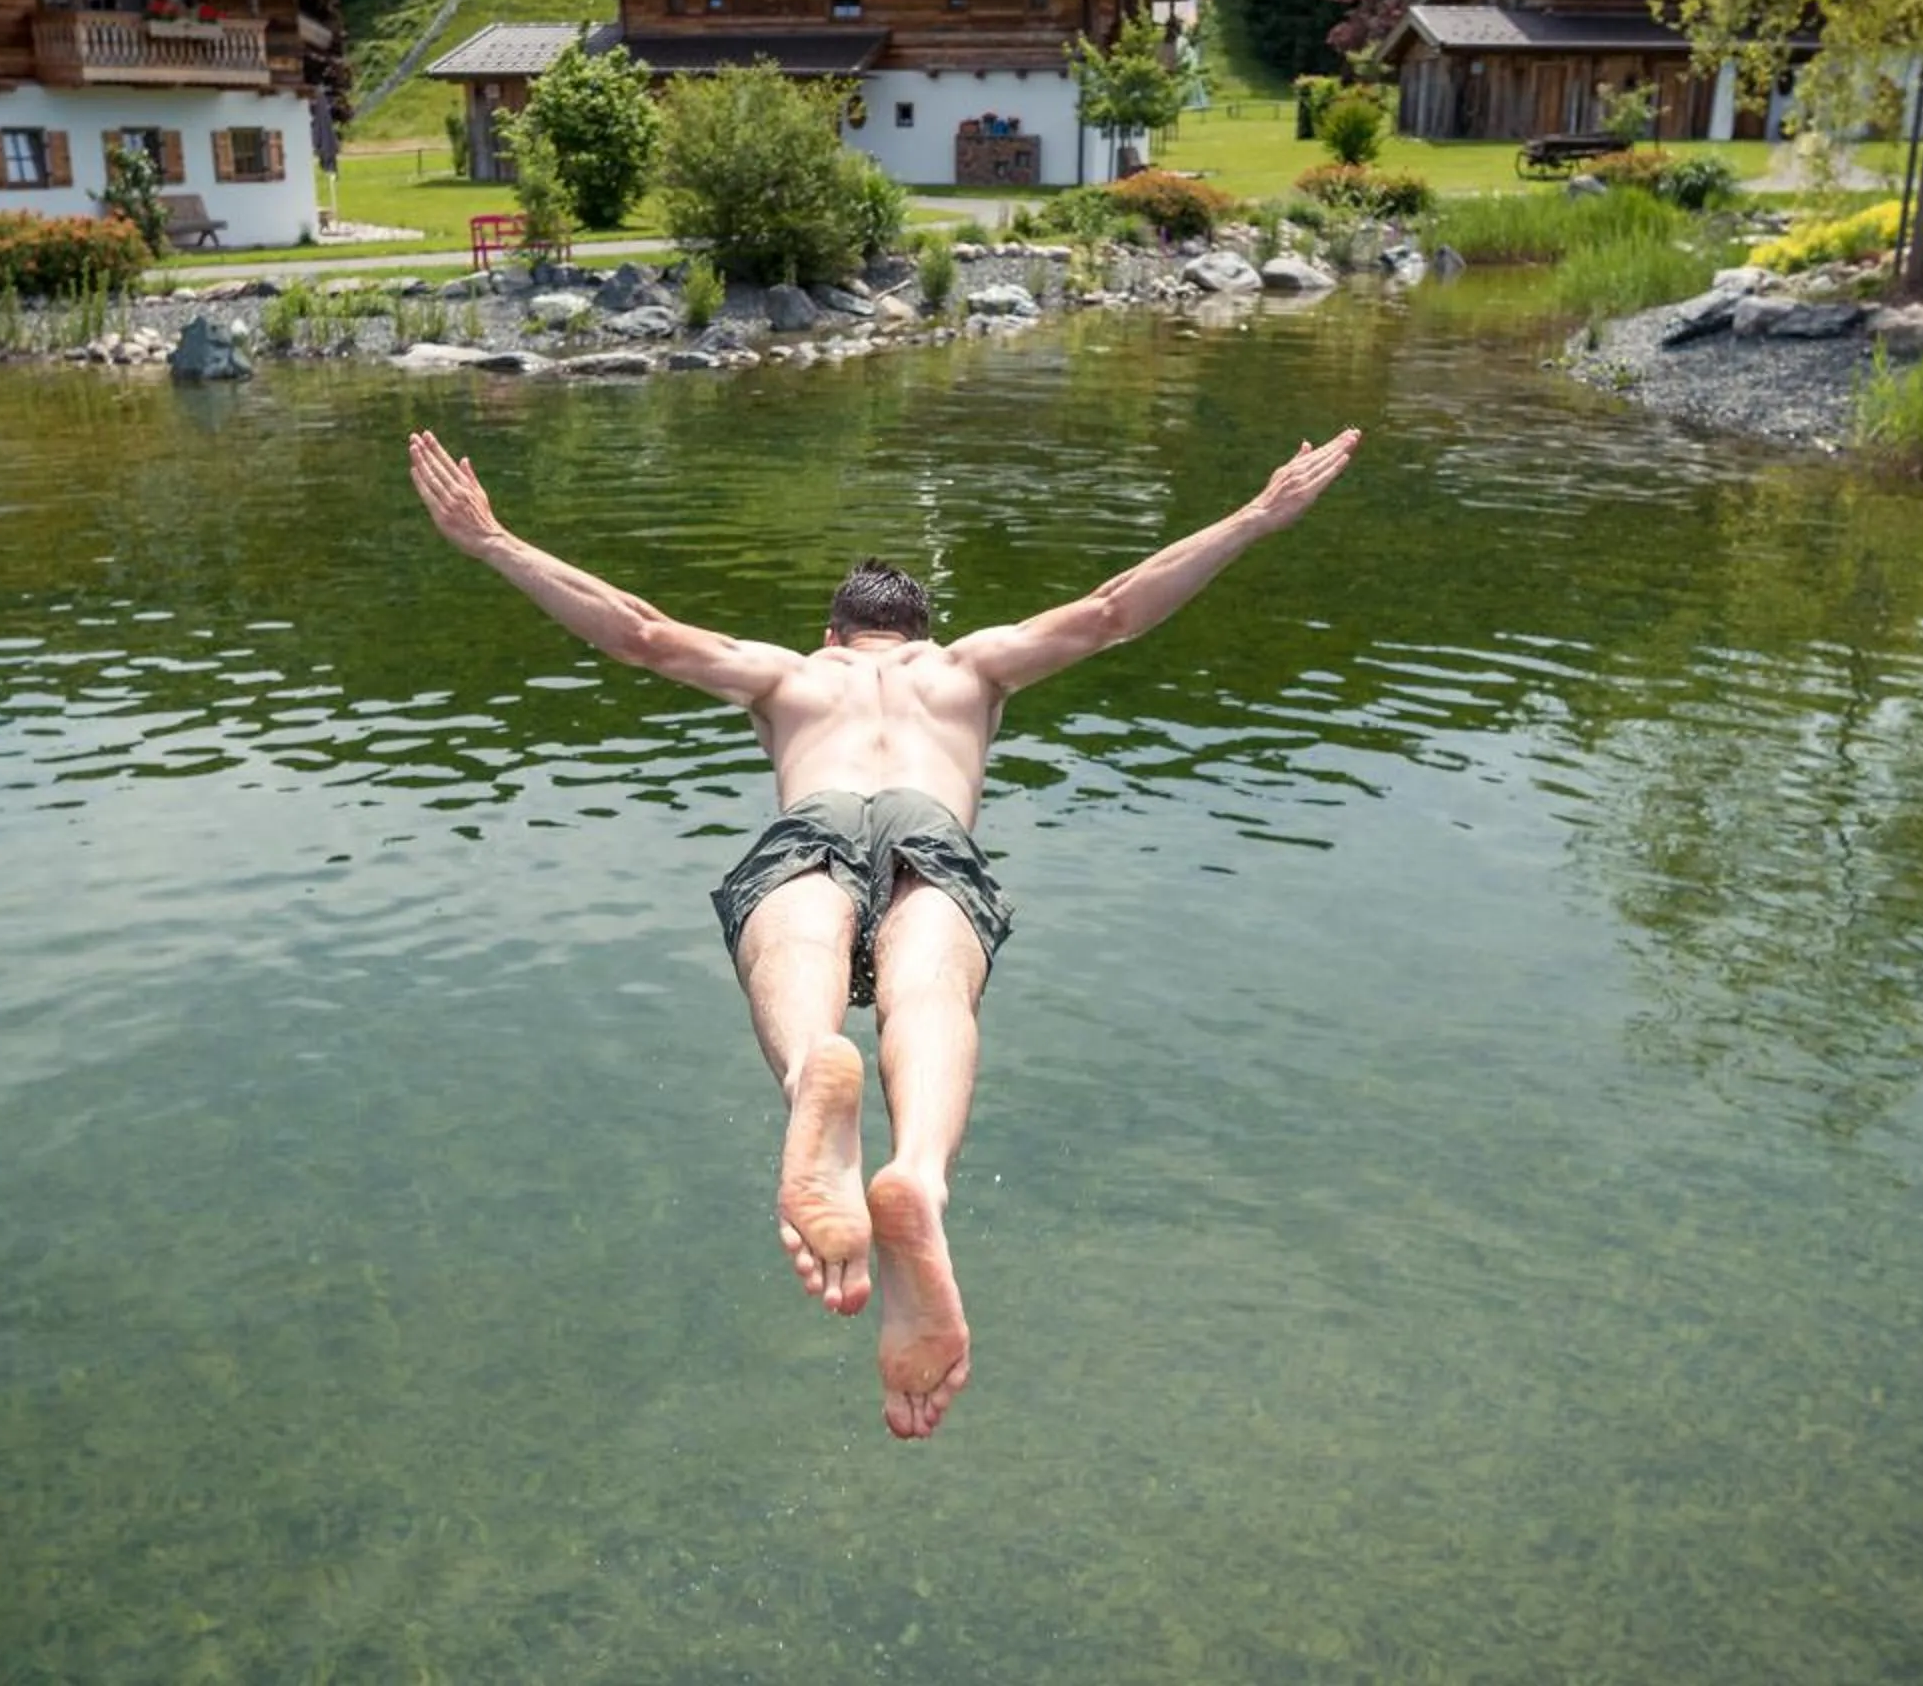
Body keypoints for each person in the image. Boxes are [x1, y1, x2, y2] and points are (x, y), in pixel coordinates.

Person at [406, 426, 1363, 1438]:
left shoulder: (787, 676)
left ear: (831, 634)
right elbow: (1115, 607)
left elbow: (638, 631)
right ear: (918, 633)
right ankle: (920, 1176)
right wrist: (1257, 514)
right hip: (931, 827)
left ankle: (812, 1073)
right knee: (929, 990)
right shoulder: (969, 668)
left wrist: (496, 542)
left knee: (796, 947)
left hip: (809, 824)